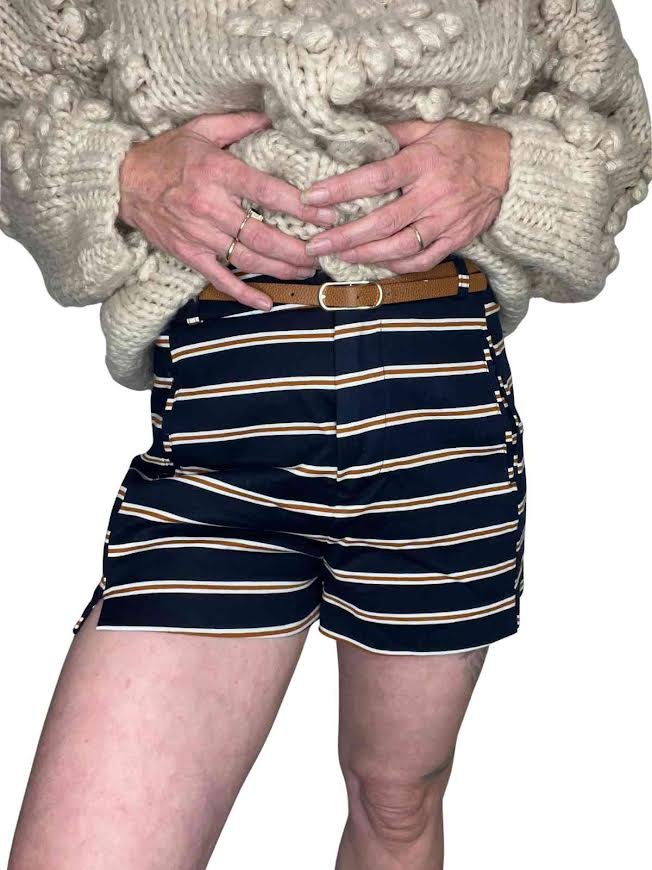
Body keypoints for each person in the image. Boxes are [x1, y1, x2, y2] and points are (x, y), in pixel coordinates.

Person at [2, 1, 649, 867]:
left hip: (439, 417)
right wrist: (119, 173)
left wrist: (508, 163)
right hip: (225, 426)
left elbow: (622, 133)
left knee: (397, 799)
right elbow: (11, 97)